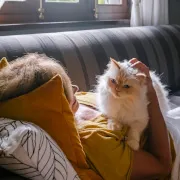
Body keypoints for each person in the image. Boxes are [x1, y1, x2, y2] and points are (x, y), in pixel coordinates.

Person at [0, 53, 177, 179]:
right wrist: (150, 92)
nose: (77, 89)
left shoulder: (76, 104)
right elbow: (162, 166)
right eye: (68, 90)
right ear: (53, 101)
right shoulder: (96, 143)